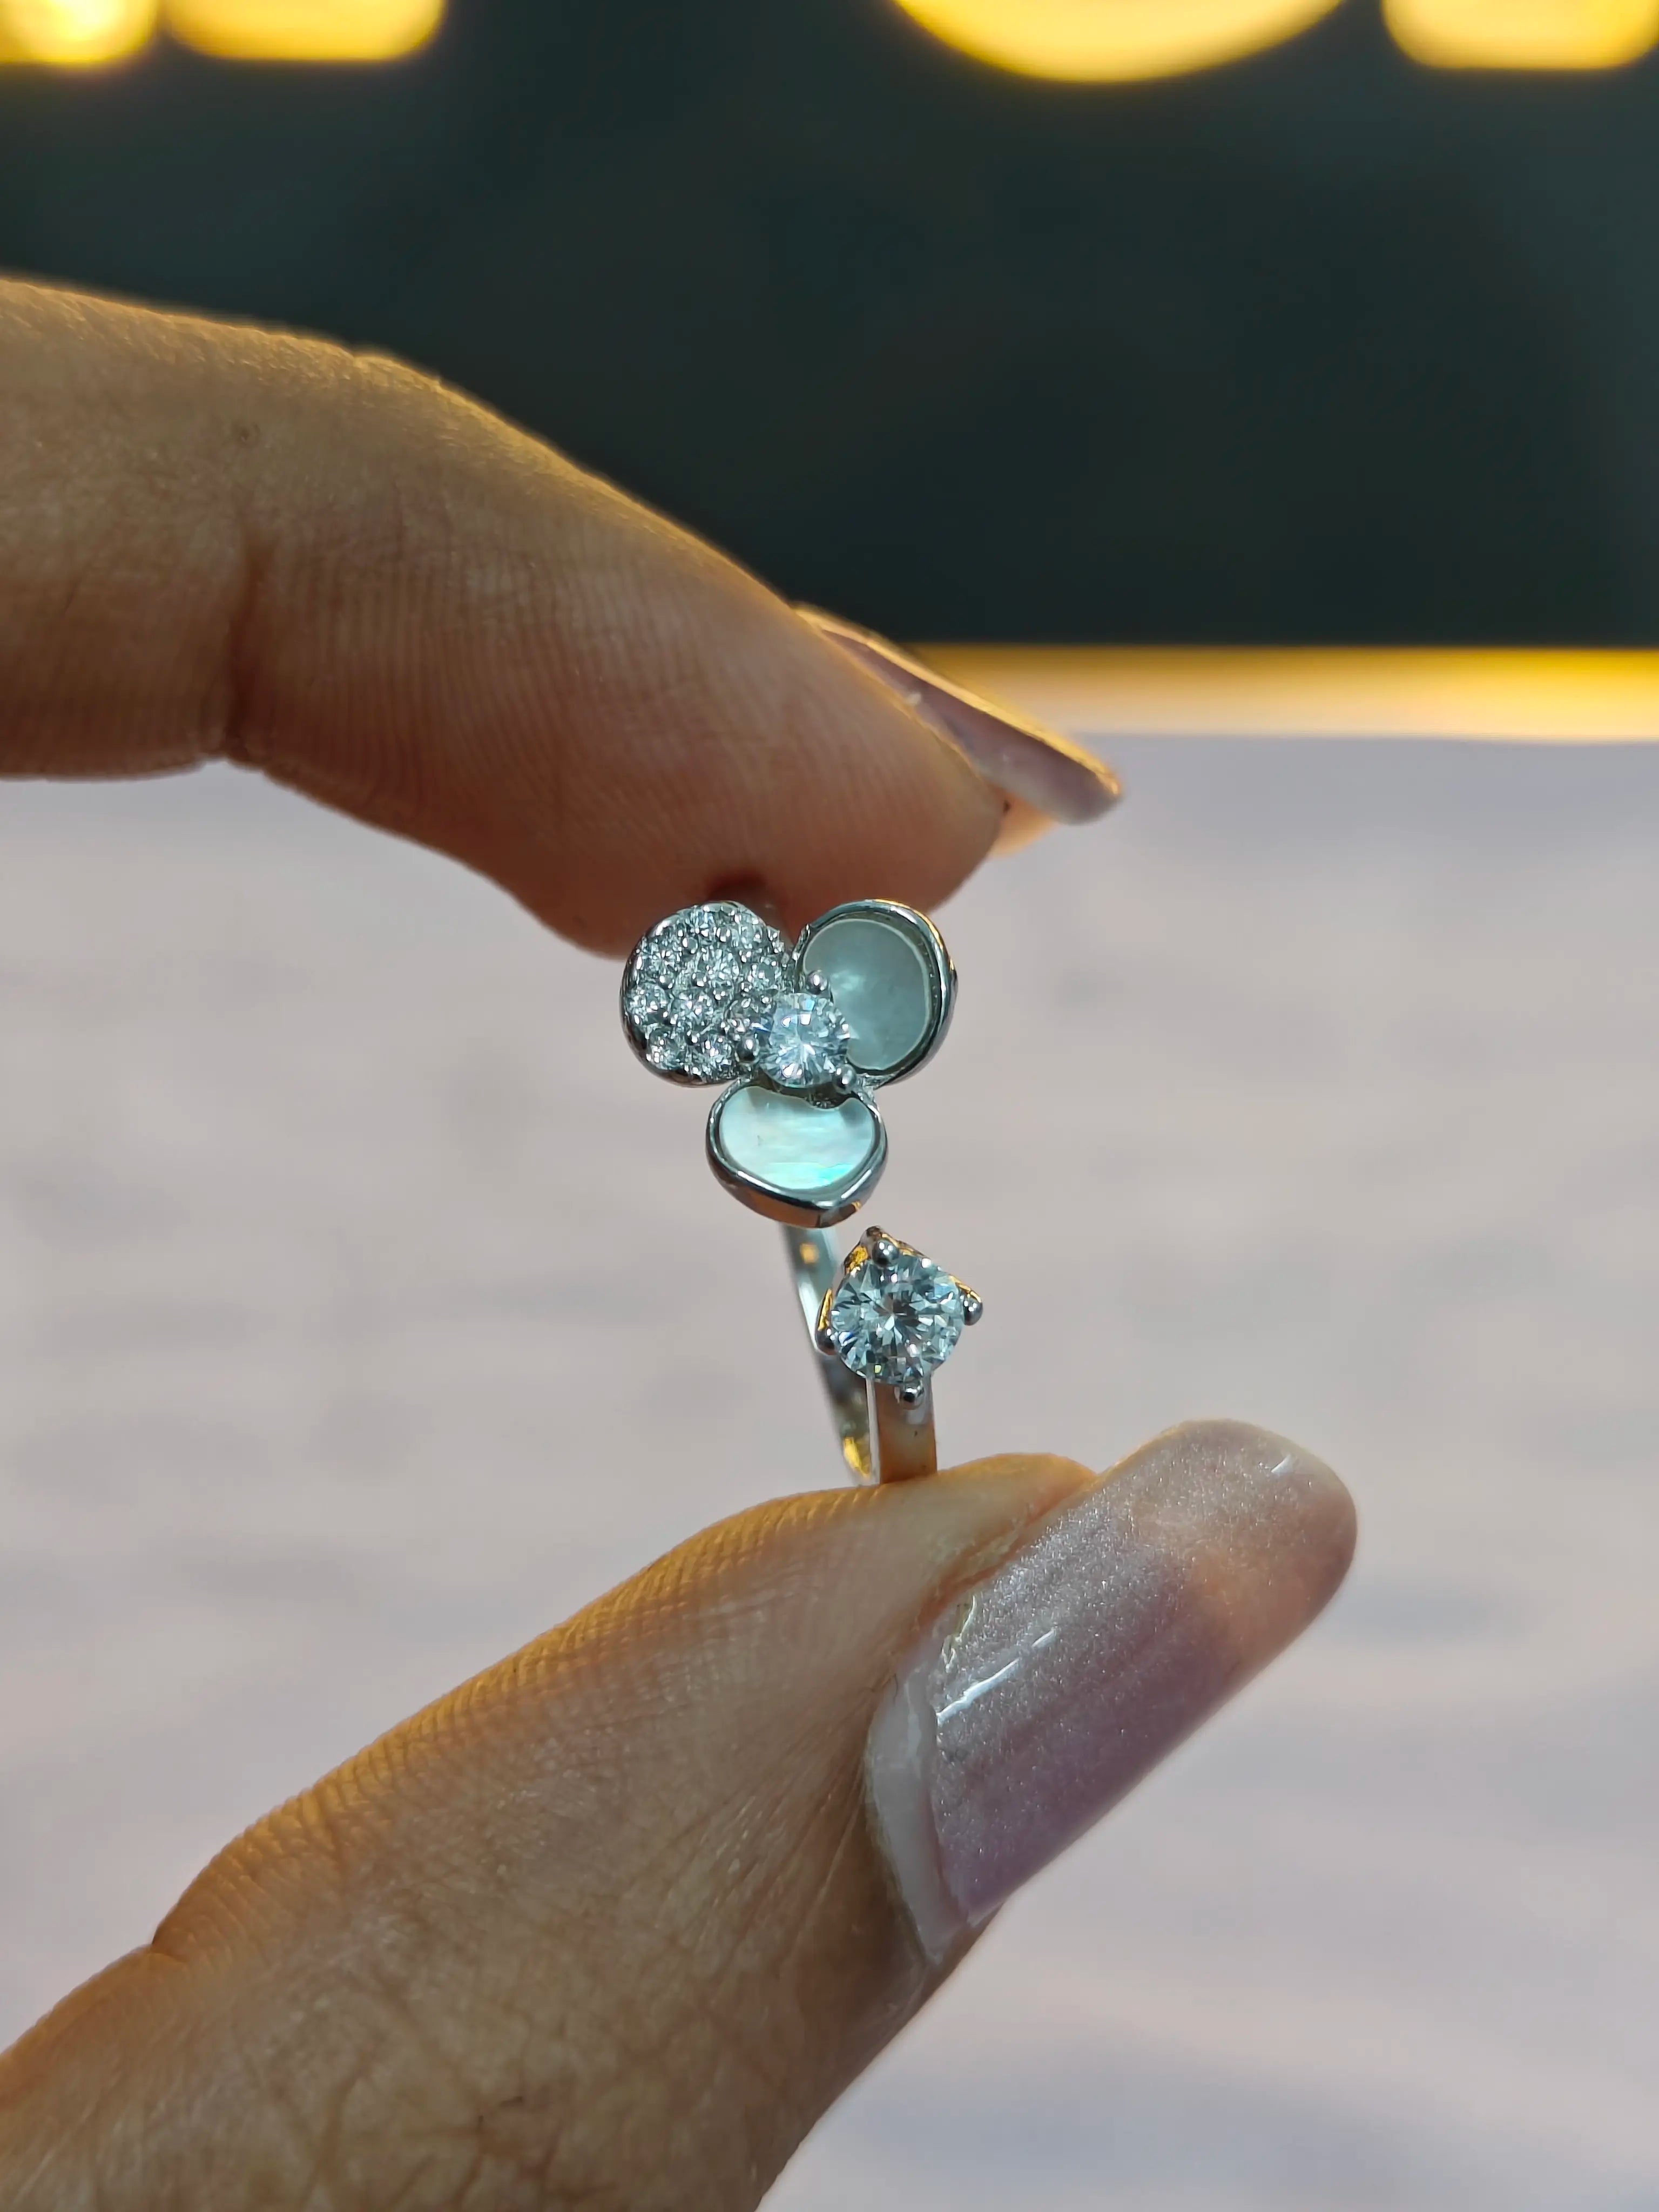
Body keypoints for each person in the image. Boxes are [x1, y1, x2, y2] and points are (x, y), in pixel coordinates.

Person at [0, 279, 1355, 2210]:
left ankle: (887, 1388)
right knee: (860, 1341)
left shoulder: (819, 1076)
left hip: (843, 1247)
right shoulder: (777, 1082)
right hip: (828, 1234)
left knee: (868, 1332)